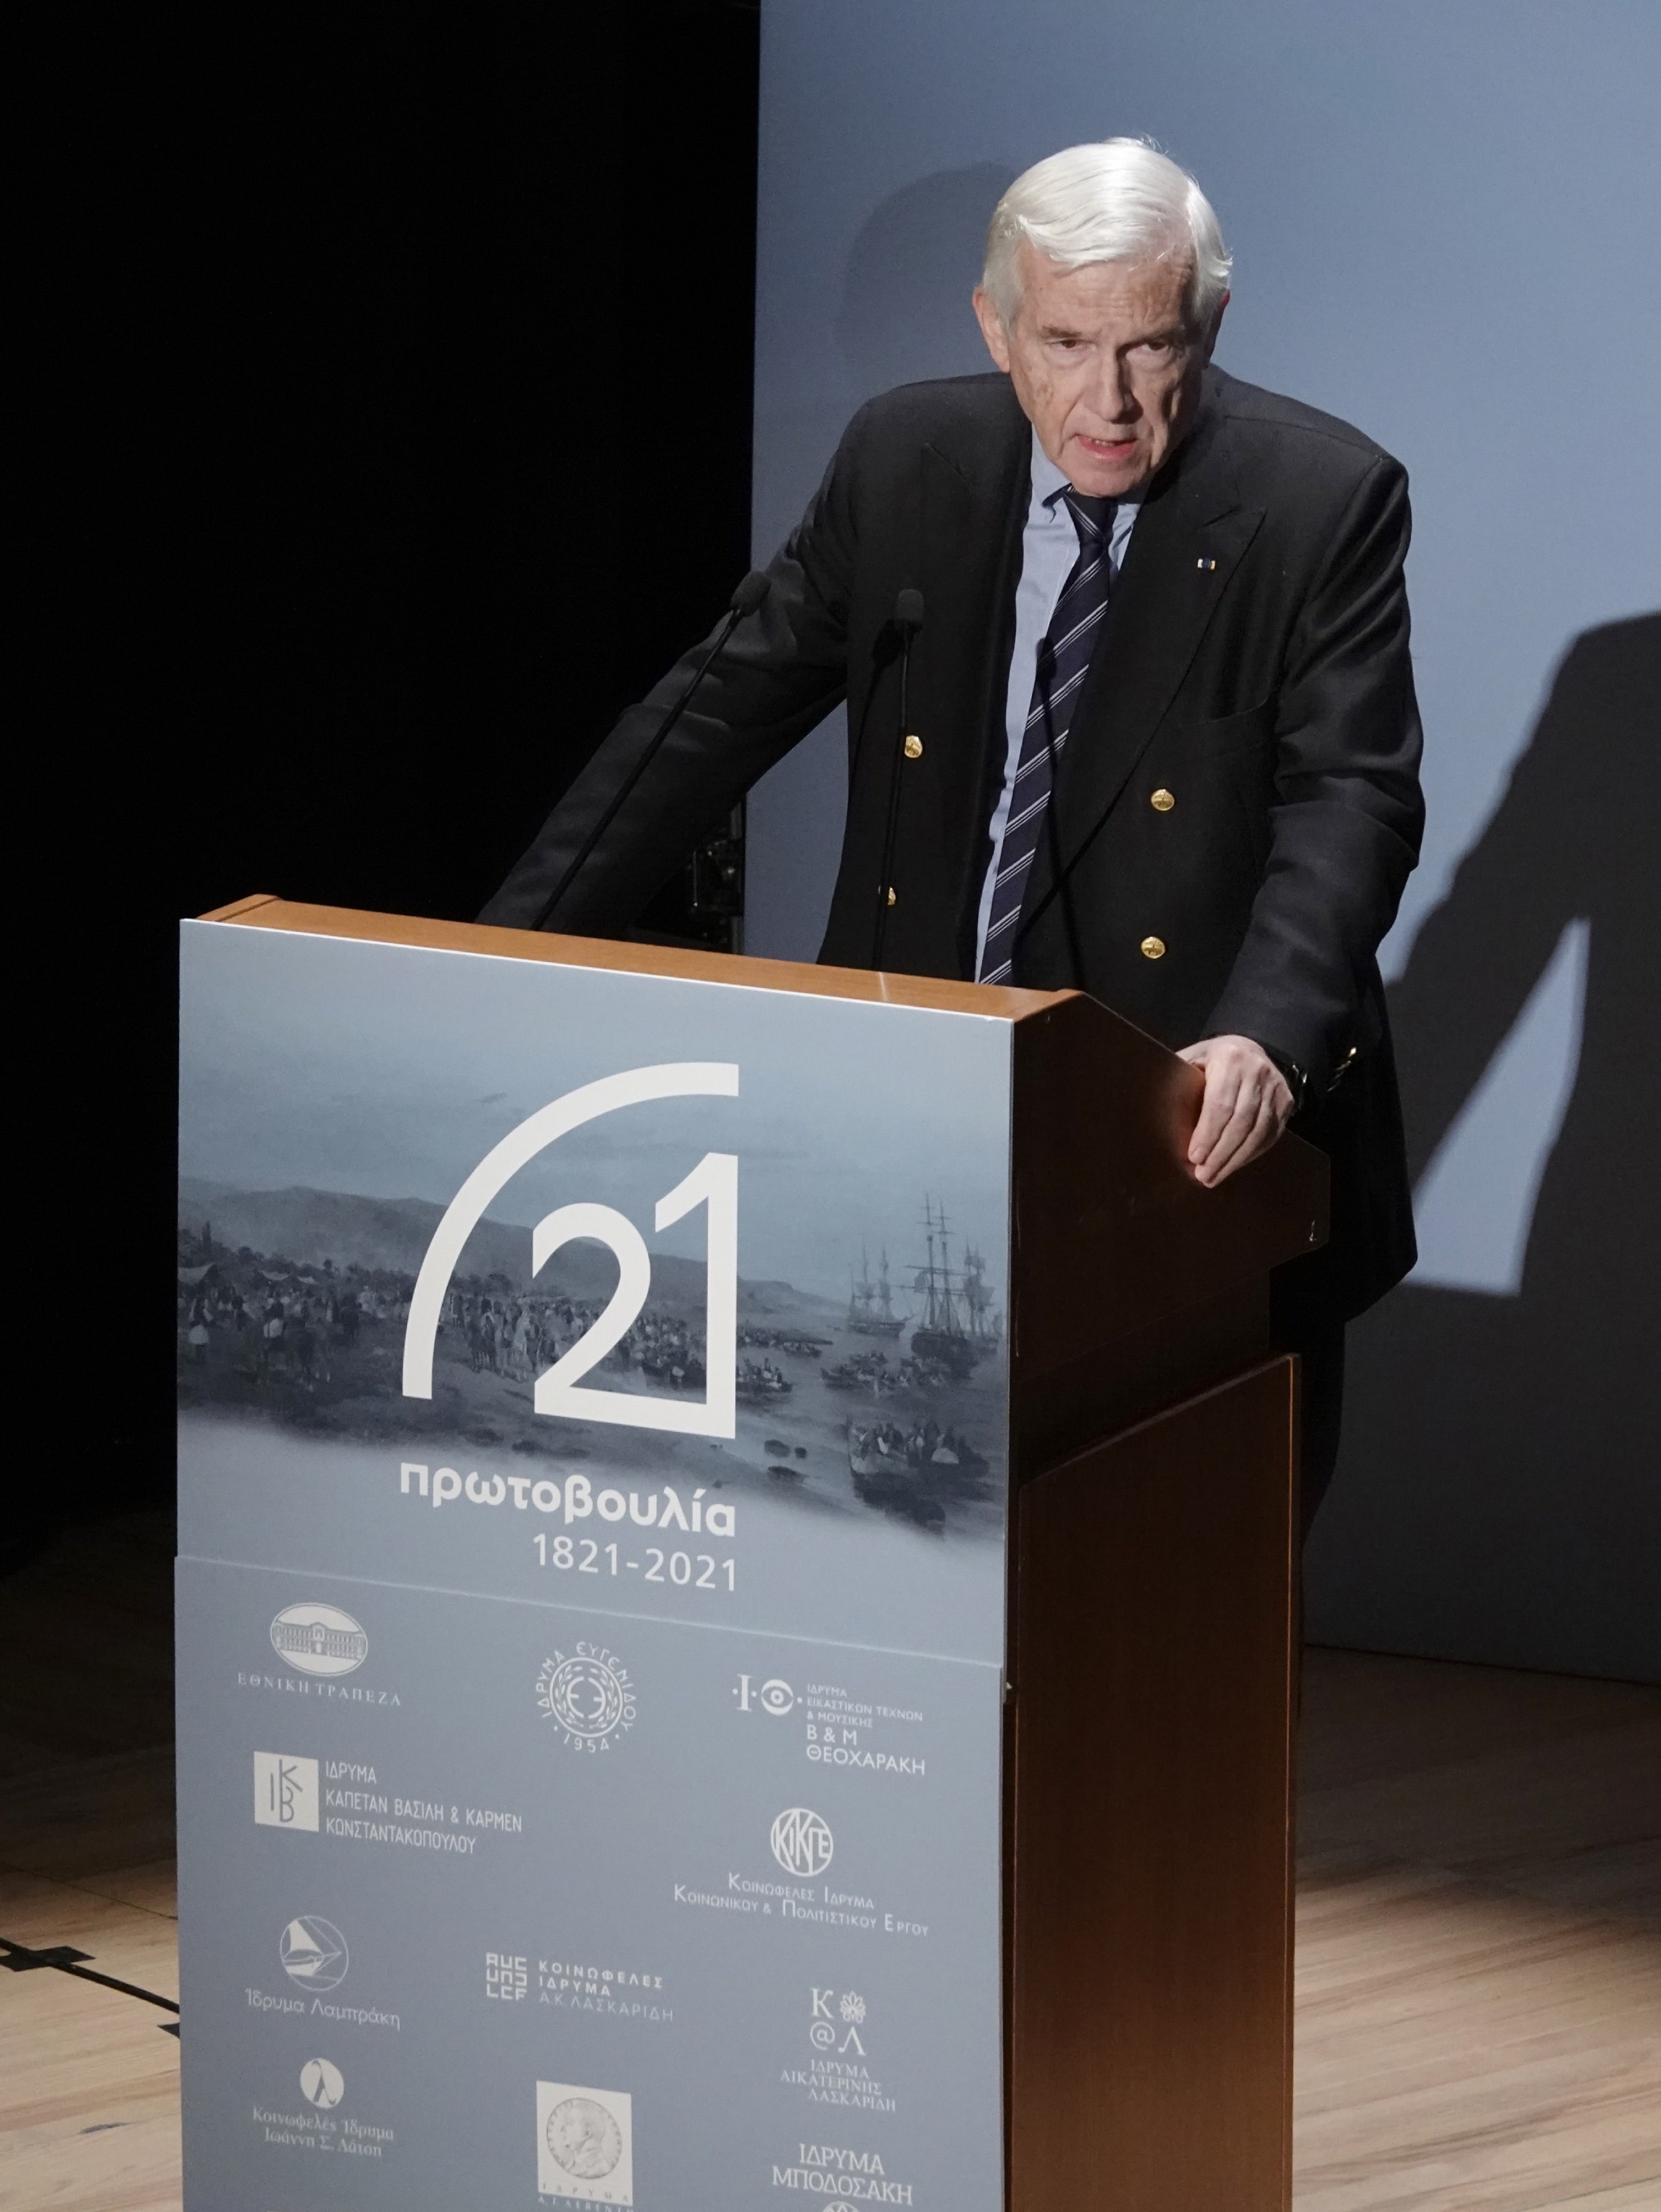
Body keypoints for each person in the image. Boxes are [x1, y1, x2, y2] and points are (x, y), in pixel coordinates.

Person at [481, 138, 1423, 1520]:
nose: (1107, 400)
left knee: (1168, 1576)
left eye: (1150, 346)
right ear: (995, 327)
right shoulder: (905, 460)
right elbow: (710, 714)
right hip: (913, 1103)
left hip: (1183, 1130)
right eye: (1065, 342)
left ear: (1210, 325)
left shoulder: (1318, 500)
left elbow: (1350, 796)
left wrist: (1264, 1036)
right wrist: (505, 955)